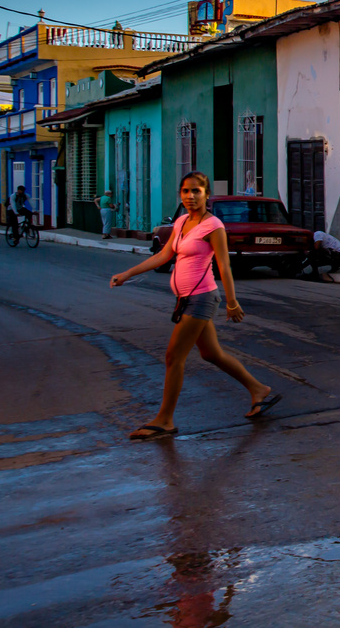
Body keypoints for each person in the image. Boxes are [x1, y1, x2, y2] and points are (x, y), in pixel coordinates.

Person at [110, 171, 280, 440]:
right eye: (186, 191)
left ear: (207, 194)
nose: (190, 196)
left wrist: (232, 302)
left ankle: (165, 419)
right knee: (211, 354)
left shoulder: (213, 226)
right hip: (185, 299)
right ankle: (258, 389)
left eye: (196, 191)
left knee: (173, 357)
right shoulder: (180, 223)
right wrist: (128, 274)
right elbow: (165, 255)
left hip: (201, 298)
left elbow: (224, 265)